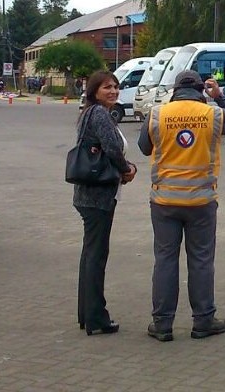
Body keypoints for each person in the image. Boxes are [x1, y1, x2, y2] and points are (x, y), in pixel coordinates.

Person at [137, 69, 225, 342]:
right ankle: (203, 321)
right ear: (202, 89)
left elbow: (143, 147)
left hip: (164, 201)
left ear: (175, 89)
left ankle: (162, 324)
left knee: (164, 260)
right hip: (201, 201)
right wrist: (220, 97)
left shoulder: (157, 114)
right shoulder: (214, 114)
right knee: (200, 260)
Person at [73, 71, 137, 336]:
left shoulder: (90, 112)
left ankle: (87, 314)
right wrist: (126, 169)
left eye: (116, 87)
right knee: (96, 256)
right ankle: (97, 317)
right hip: (97, 195)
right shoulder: (99, 114)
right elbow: (111, 147)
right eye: (106, 87)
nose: (113, 91)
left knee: (90, 254)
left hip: (89, 194)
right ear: (94, 90)